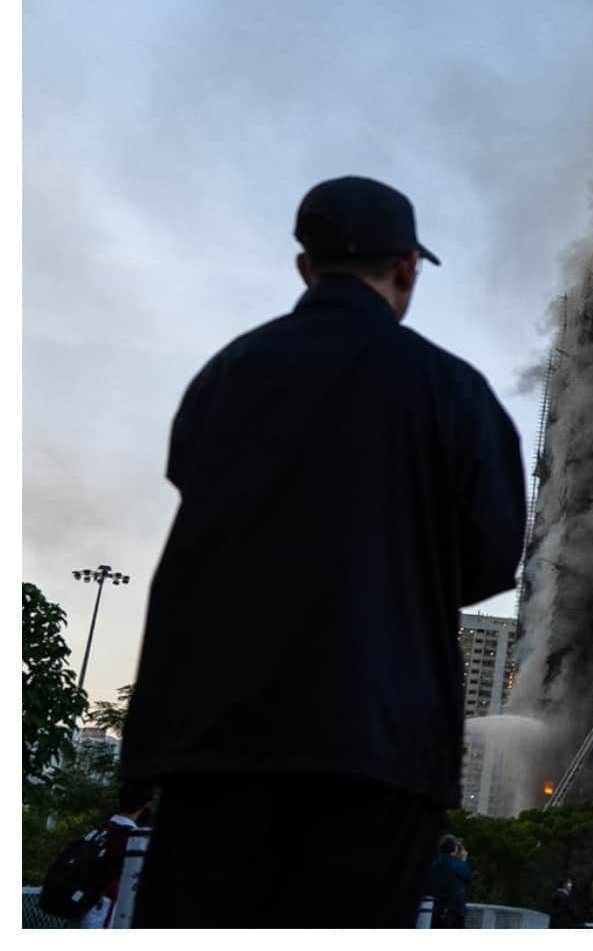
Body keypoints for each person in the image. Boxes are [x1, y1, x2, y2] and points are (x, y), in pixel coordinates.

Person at [120, 176, 527, 927]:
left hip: (213, 741)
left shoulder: (226, 375)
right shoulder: (454, 393)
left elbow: (194, 490)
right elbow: (492, 560)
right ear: (407, 267)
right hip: (378, 748)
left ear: (304, 267)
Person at [75, 783, 155, 928]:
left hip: (82, 907)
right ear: (146, 805)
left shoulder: (97, 832)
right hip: (107, 912)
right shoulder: (134, 839)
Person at [428, 835, 474, 929]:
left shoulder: (434, 863)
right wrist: (463, 860)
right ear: (455, 849)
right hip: (454, 913)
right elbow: (469, 878)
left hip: (433, 911)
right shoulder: (459, 865)